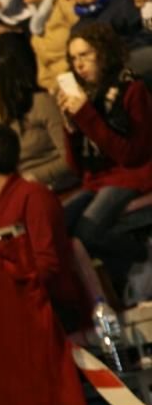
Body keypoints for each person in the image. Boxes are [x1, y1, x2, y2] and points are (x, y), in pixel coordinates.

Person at [56, 22, 152, 285]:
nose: (79, 64)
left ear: (103, 52)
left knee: (88, 231)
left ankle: (143, 254)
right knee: (57, 224)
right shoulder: (85, 96)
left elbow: (131, 155)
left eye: (85, 55)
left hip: (131, 174)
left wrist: (87, 116)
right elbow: (77, 168)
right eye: (74, 58)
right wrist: (71, 127)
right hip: (98, 178)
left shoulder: (131, 89)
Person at [0, 122, 88, 327]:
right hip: (8, 312)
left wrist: (6, 293)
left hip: (50, 310)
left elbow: (48, 266)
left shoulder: (35, 197)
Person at [0, 35, 77, 190]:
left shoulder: (41, 103)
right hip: (30, 191)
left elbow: (69, 159)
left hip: (61, 187)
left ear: (1, 84)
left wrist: (27, 179)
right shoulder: (4, 116)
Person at [16, 0, 78, 92]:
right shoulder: (36, 23)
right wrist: (53, 87)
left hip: (80, 77)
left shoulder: (64, 2)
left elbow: (87, 35)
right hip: (61, 87)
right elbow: (43, 74)